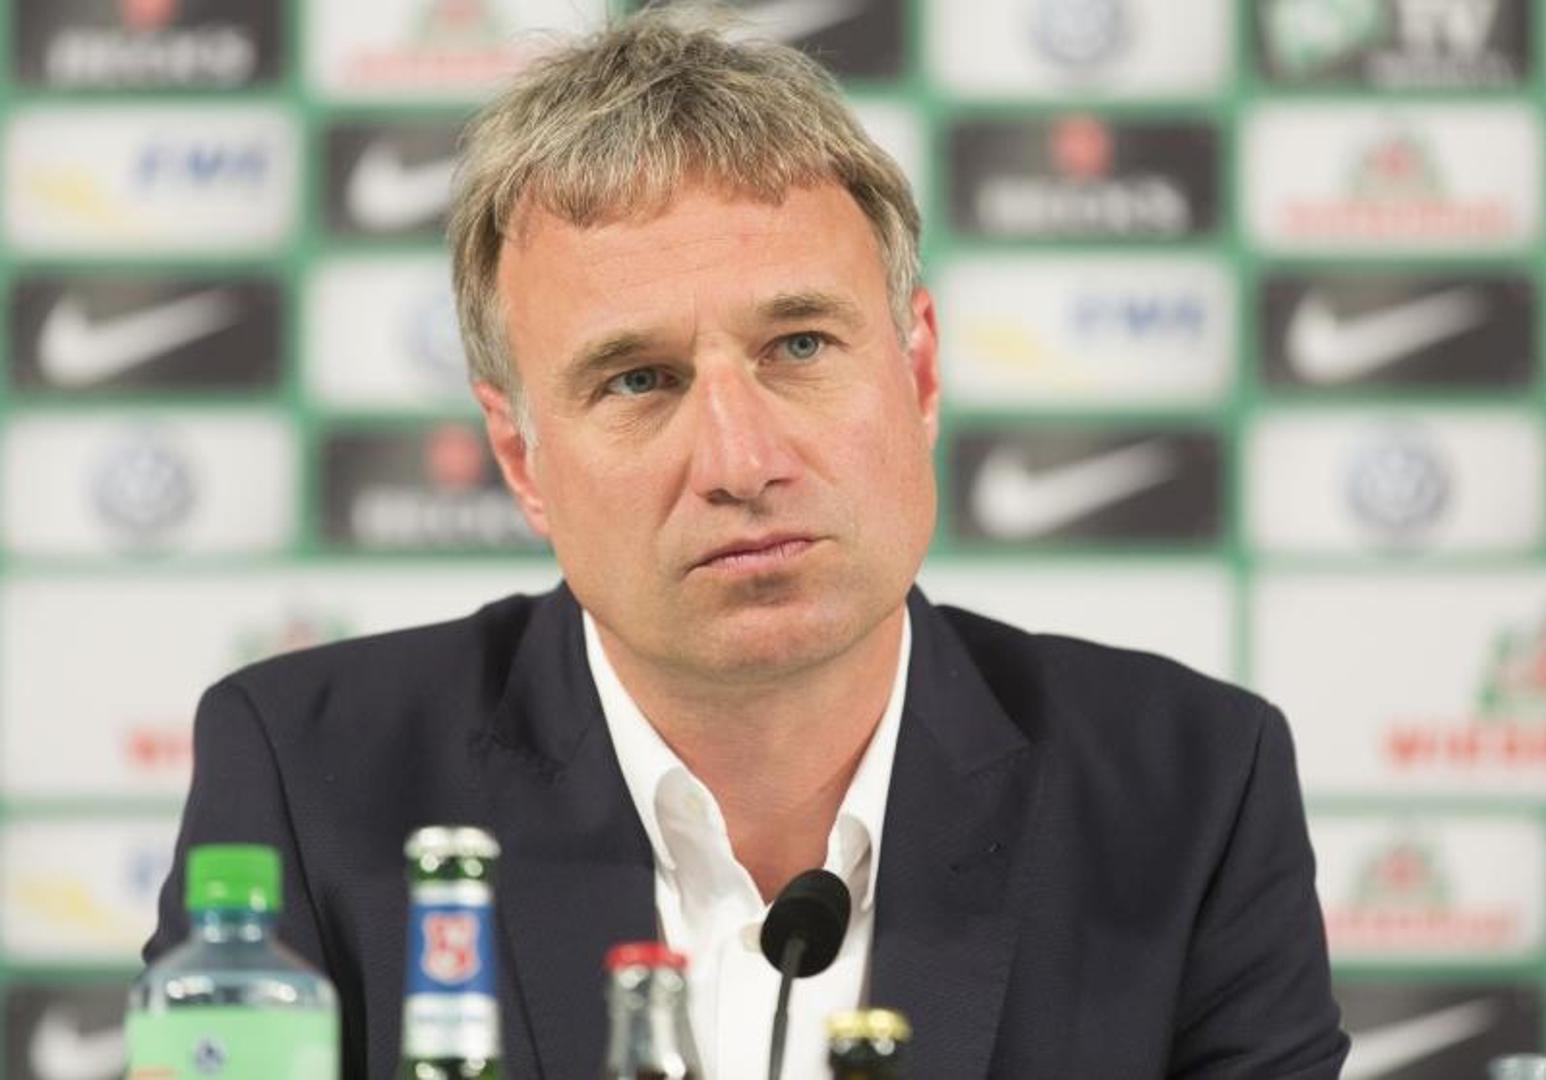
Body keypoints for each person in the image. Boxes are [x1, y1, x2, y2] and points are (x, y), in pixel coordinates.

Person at [144, 8, 1349, 1078]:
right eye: (638, 379)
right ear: (519, 457)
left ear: (919, 373)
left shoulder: (1189, 789)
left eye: (800, 348)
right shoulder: (308, 775)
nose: (740, 459)